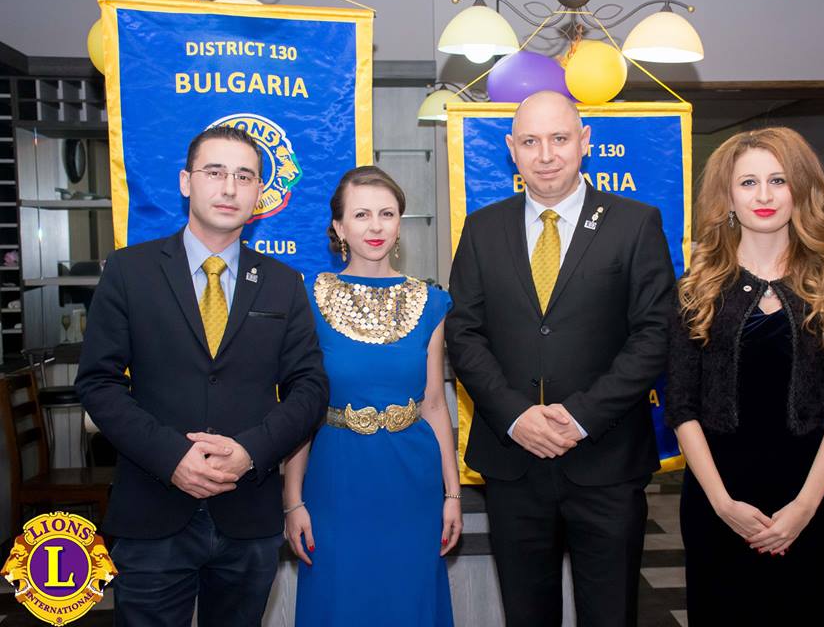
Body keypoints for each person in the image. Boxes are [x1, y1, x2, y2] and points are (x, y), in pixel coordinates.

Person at [75, 126, 328, 626]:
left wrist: (250, 452)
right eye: (215, 172)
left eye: (244, 176)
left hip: (248, 512)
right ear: (186, 181)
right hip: (153, 507)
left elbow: (310, 388)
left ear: (260, 193)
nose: (229, 188)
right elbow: (98, 384)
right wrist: (171, 457)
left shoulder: (282, 283)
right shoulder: (129, 271)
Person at [445, 91, 675, 626]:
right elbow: (464, 334)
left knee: (610, 614)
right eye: (530, 141)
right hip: (514, 461)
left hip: (607, 459)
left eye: (559, 138)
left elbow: (654, 335)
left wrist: (580, 417)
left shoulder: (634, 223)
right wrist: (516, 415)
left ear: (584, 141)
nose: (545, 154)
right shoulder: (482, 228)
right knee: (526, 614)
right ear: (511, 149)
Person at [666, 127, 824, 626]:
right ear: (728, 196)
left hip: (810, 502)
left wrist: (805, 507)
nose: (763, 196)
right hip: (717, 503)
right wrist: (722, 505)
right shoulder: (697, 286)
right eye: (748, 182)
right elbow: (682, 406)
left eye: (778, 180)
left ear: (800, 188)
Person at [283, 165, 460, 626]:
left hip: (413, 481)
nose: (375, 226)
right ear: (339, 227)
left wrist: (452, 494)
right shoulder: (308, 298)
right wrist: (293, 499)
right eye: (361, 214)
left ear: (399, 223)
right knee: (340, 602)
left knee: (409, 602)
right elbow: (299, 409)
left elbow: (434, 404)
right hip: (336, 478)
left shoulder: (430, 301)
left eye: (387, 213)